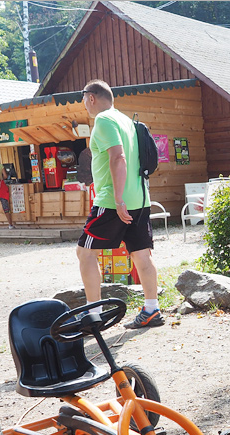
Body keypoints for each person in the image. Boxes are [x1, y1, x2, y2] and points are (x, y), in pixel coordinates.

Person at [76, 79, 163, 329]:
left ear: (91, 97)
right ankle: (151, 309)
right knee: (141, 255)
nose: (84, 105)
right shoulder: (126, 120)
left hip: (114, 201)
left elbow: (118, 157)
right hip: (141, 198)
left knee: (85, 252)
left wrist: (118, 199)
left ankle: (95, 315)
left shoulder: (103, 121)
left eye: (83, 99)